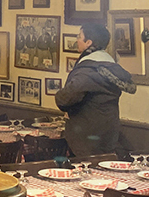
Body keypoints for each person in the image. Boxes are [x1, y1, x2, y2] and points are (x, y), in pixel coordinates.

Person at [54, 23, 136, 158]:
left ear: (88, 43)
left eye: (79, 37)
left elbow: (67, 97)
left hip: (86, 138)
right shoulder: (111, 66)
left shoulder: (89, 70)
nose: (77, 40)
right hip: (108, 133)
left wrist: (61, 99)